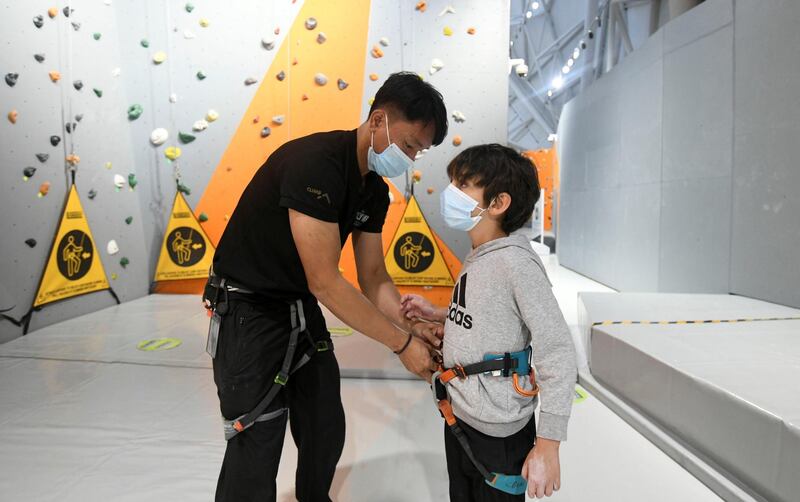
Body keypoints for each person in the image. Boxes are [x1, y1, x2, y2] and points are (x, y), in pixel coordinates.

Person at [205, 72, 448, 501]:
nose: (409, 159)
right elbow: (326, 282)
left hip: (298, 309)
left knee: (324, 426)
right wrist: (401, 344)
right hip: (250, 311)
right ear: (378, 121)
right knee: (258, 439)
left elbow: (374, 278)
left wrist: (414, 328)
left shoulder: (373, 190)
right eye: (409, 145)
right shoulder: (314, 164)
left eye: (418, 152)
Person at [402, 144, 578, 500]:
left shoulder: (515, 264)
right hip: (459, 414)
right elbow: (486, 316)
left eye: (463, 185)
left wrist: (548, 444)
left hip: (500, 433)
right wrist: (439, 313)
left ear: (497, 204)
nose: (451, 192)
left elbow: (557, 350)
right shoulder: (480, 257)